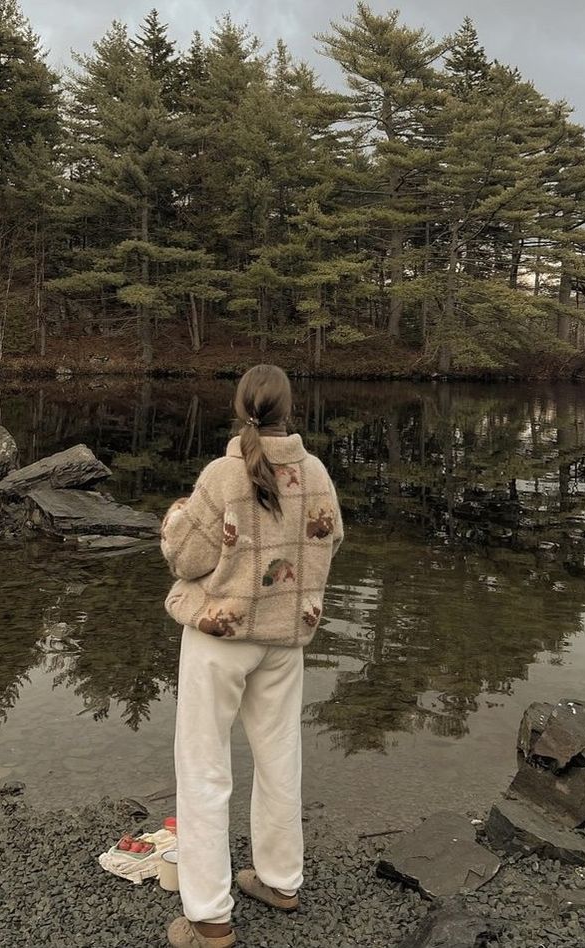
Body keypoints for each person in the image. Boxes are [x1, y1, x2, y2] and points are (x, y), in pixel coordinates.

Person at [160, 364, 344, 948]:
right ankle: (279, 880)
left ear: (241, 408)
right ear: (290, 409)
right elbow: (329, 540)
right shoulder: (315, 472)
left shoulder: (222, 473)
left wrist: (175, 515)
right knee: (279, 757)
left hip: (220, 638)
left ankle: (211, 916)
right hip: (284, 637)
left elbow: (184, 558)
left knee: (204, 769)